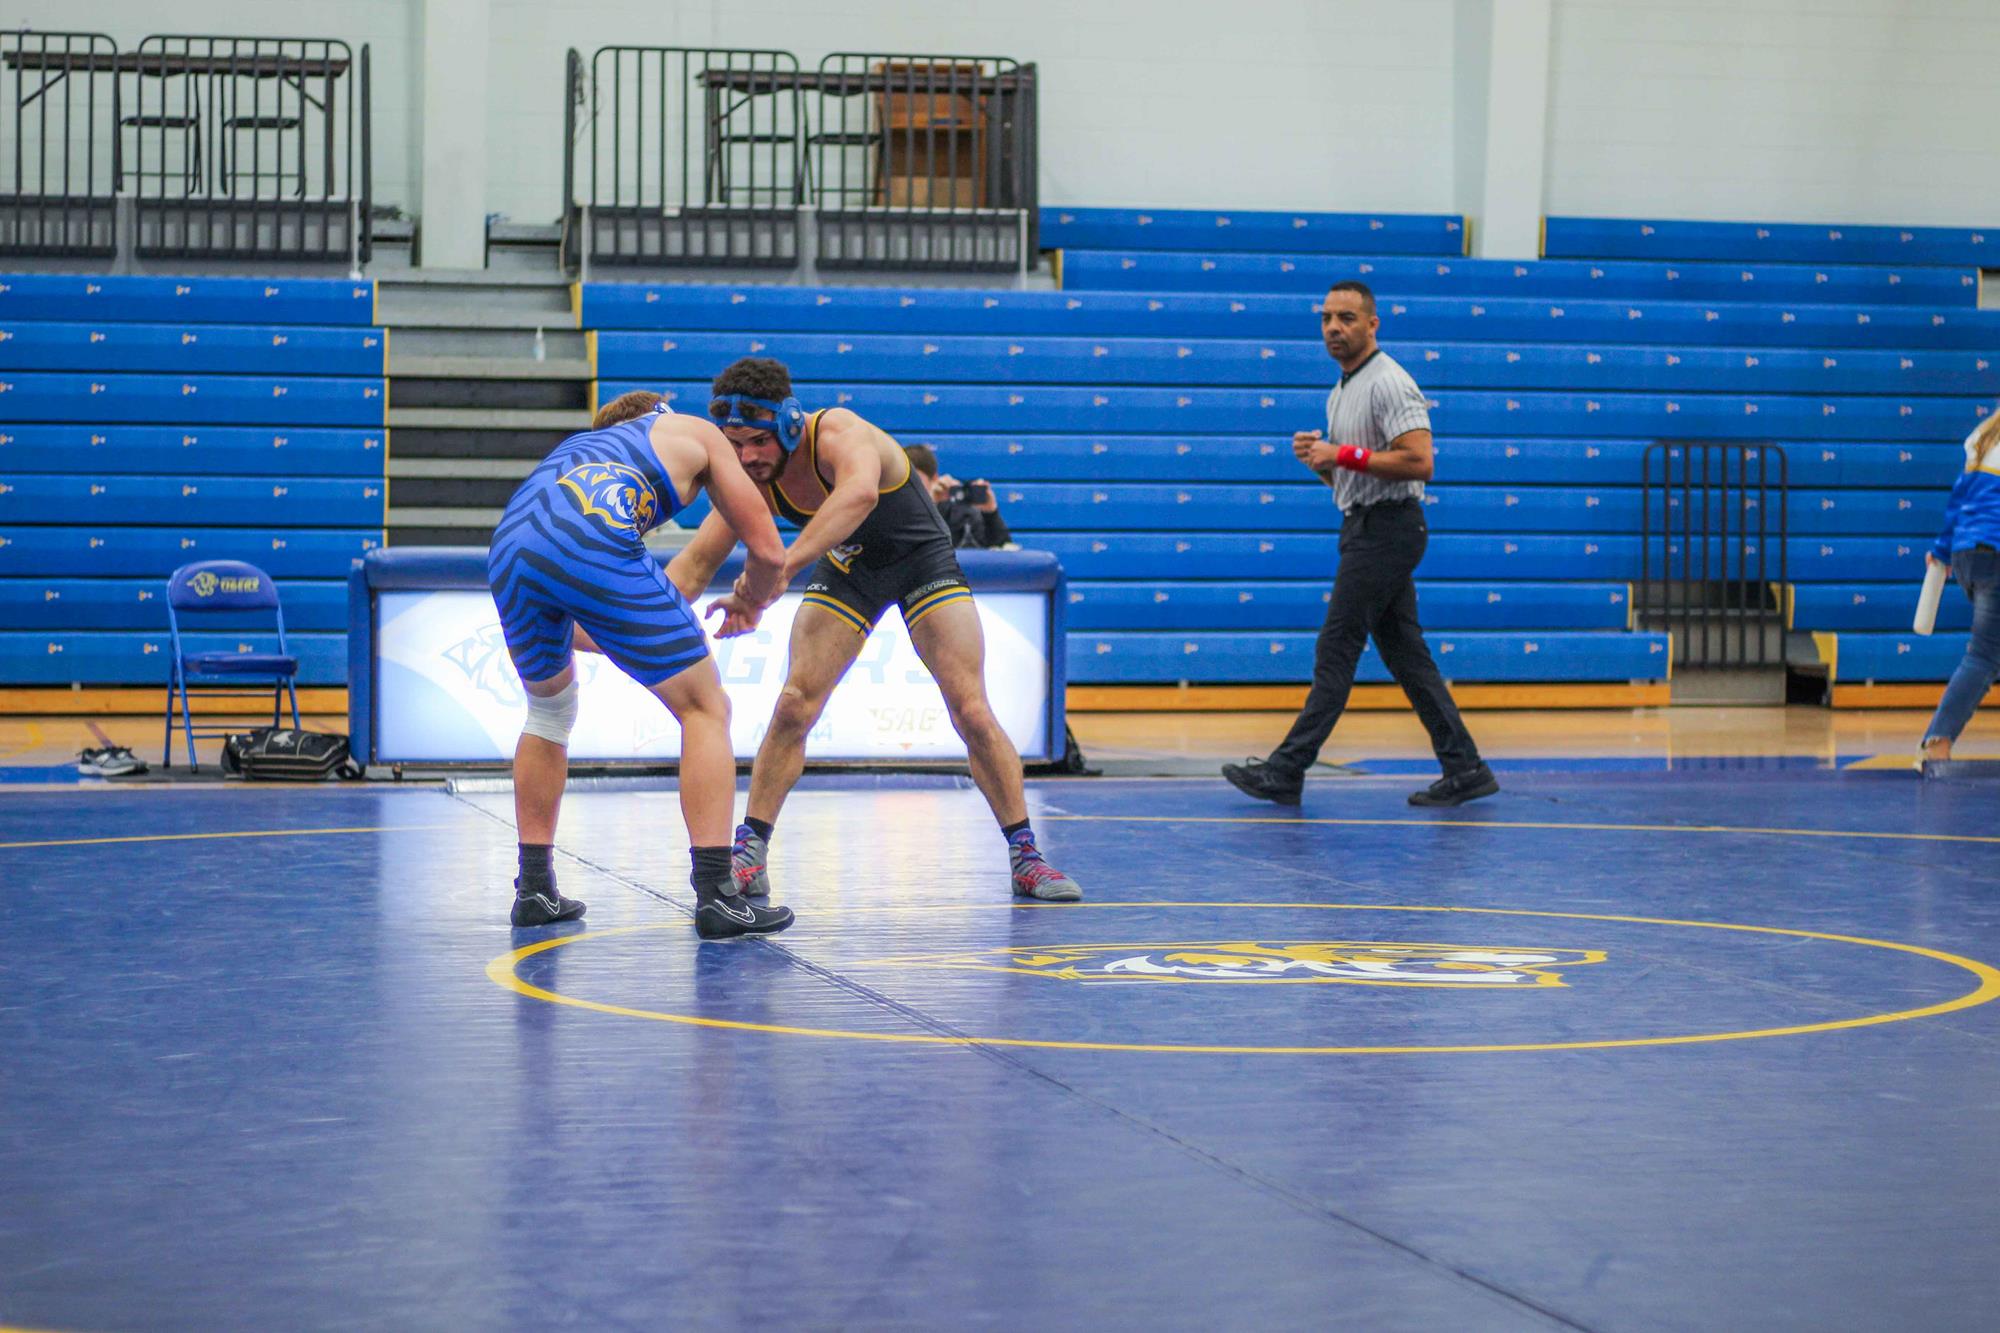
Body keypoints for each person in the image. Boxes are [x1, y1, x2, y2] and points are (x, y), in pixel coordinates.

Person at [663, 357, 1082, 902]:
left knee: (970, 706)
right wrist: (631, 618)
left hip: (921, 560)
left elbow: (857, 497)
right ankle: (751, 851)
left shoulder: (839, 432)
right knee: (794, 703)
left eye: (759, 443)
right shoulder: (750, 477)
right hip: (849, 567)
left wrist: (781, 569)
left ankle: (1026, 855)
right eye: (735, 444)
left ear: (790, 423)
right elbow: (697, 563)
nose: (746, 458)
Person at [486, 390, 798, 938]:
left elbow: (592, 616)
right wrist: (752, 600)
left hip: (509, 546)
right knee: (706, 708)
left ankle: (533, 887)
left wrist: (616, 625)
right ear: (659, 410)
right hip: (594, 535)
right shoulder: (691, 432)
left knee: (549, 713)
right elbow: (770, 551)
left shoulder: (577, 447)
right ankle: (718, 893)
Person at [1222, 279, 1498, 808]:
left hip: (1388, 531)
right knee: (1407, 657)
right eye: (1326, 317)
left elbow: (1421, 462)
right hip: (1368, 525)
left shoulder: (1388, 383)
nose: (1333, 328)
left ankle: (1287, 768)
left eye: (1346, 318)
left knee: (1337, 648)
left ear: (1373, 324)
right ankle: (1465, 766)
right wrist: (1322, 462)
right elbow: (1354, 479)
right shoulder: (1343, 389)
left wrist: (1341, 455)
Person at [1919, 406, 2000, 760]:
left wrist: (1942, 551)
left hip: (1968, 554)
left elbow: (1959, 500)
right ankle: (1937, 741)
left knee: (1985, 654)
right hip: (1996, 551)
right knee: (1983, 656)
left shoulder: (1983, 437)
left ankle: (1939, 739)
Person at [905, 443, 1014, 549]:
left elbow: (1003, 551)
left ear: (934, 479)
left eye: (916, 480)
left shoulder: (960, 515)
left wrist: (991, 514)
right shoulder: (893, 511)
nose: (909, 487)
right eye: (904, 481)